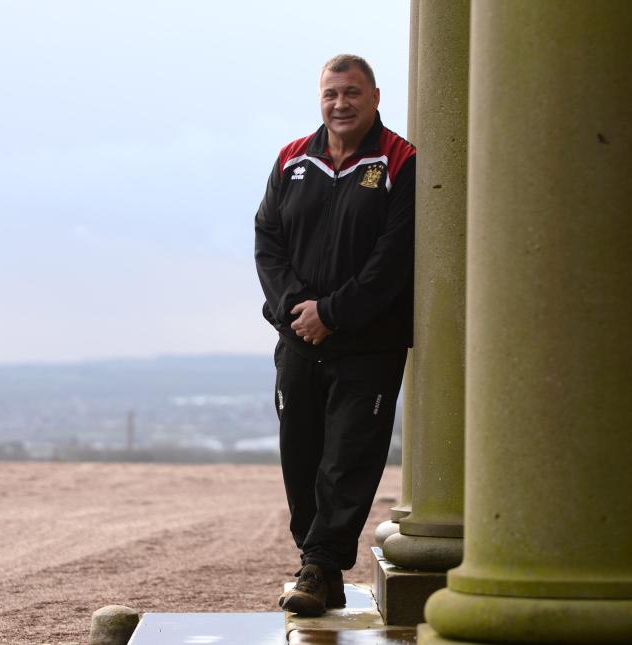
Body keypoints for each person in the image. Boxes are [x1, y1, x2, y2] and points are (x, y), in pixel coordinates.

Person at [254, 54, 415, 617]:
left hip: (368, 345)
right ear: (319, 98)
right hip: (298, 340)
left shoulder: (401, 161)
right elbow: (268, 241)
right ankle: (317, 565)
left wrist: (334, 313)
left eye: (351, 93)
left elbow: (393, 260)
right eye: (331, 94)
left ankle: (320, 566)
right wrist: (297, 311)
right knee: (300, 456)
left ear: (374, 96)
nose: (340, 104)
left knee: (347, 459)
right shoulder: (292, 159)